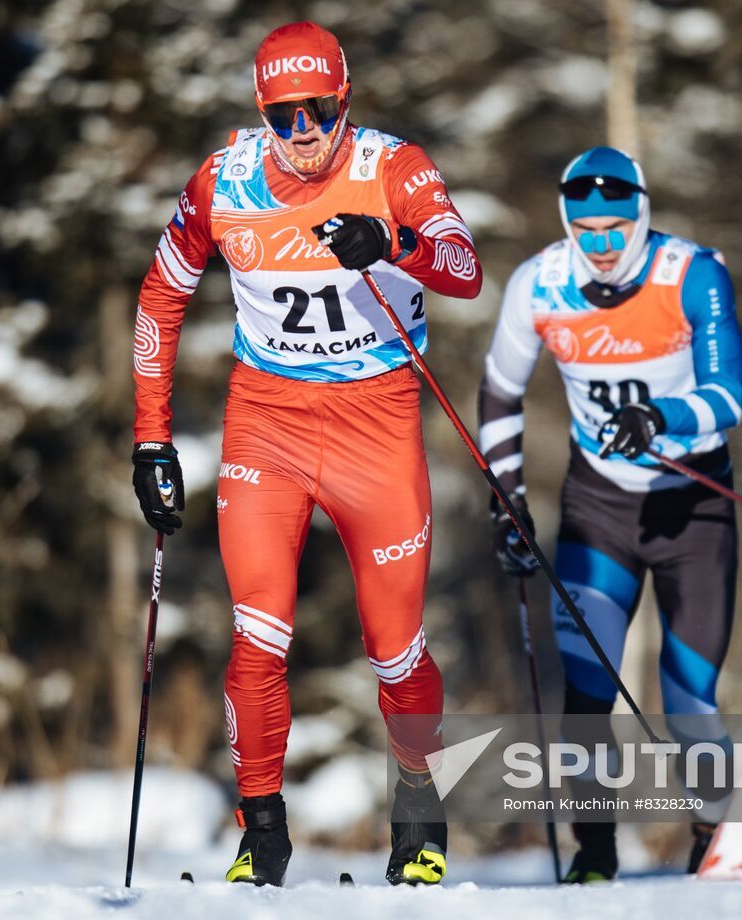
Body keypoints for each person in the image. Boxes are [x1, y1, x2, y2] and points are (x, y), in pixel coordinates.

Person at [130, 21, 483, 887]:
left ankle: (418, 817)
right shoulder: (227, 179)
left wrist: (394, 245)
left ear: (344, 101)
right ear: (262, 111)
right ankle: (263, 834)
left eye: (318, 112)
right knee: (258, 635)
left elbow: (465, 266)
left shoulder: (393, 168)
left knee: (394, 647)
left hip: (378, 420)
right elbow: (158, 299)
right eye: (284, 116)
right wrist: (151, 438)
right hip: (269, 423)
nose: (303, 133)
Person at [477, 146, 742, 882]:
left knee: (688, 696)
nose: (599, 245)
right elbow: (501, 390)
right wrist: (508, 501)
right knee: (588, 691)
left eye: (614, 229)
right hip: (599, 511)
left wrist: (659, 416)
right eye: (584, 229)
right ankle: (593, 857)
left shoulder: (691, 273)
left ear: (641, 218)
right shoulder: (541, 282)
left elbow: (728, 396)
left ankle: (713, 850)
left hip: (694, 509)